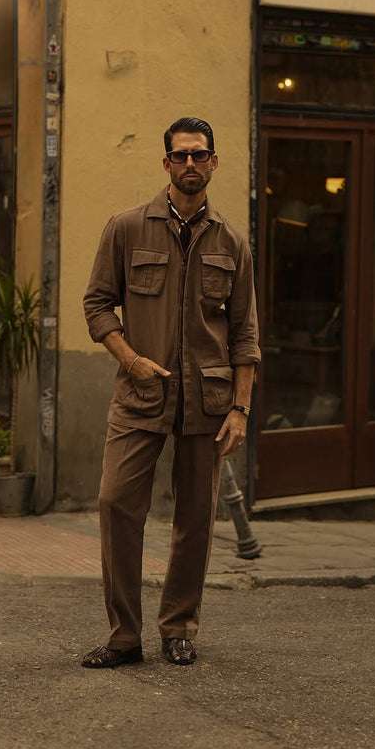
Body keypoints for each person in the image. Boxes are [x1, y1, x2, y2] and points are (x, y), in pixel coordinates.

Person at [82, 116, 260, 668]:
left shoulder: (232, 241)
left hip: (208, 402)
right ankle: (123, 636)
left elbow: (245, 333)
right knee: (116, 503)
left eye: (199, 154)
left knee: (196, 519)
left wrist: (240, 408)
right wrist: (130, 360)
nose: (190, 164)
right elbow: (97, 306)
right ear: (166, 163)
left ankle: (179, 627)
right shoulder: (126, 228)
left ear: (213, 162)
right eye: (180, 155)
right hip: (140, 396)